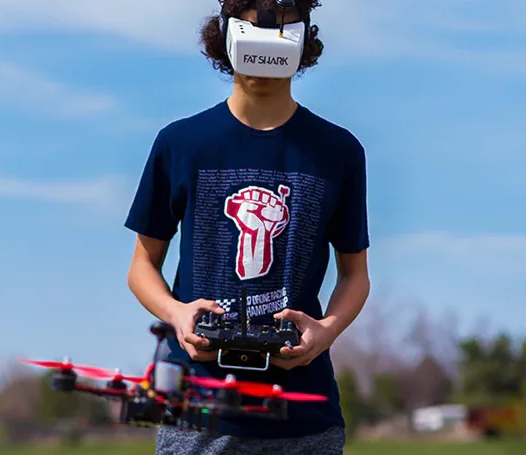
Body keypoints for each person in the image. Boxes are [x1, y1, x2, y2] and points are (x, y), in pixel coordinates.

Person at [124, 0, 371, 453]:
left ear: (300, 43)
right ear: (227, 38)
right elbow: (142, 266)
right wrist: (176, 313)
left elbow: (355, 274)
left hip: (303, 417)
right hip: (196, 414)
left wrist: (327, 330)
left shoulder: (338, 151)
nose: (264, 65)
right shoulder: (181, 143)